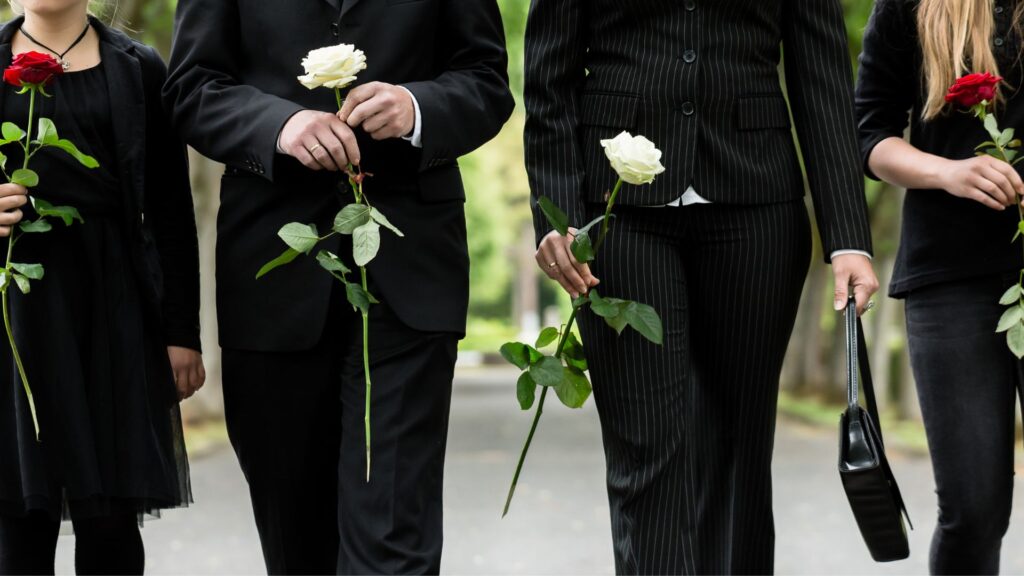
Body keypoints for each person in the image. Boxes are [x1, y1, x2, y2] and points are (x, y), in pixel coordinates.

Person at [524, 0, 879, 573]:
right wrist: (559, 216)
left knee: (739, 447)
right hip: (616, 214)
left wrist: (847, 238)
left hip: (757, 202)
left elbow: (822, 74)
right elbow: (548, 75)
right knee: (645, 449)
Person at [163, 1, 514, 573]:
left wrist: (418, 106)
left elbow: (486, 81)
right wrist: (279, 125)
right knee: (297, 540)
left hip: (412, 271)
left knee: (394, 537)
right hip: (270, 273)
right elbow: (192, 89)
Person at [0, 0, 205, 574]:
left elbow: (170, 212)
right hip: (14, 315)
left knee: (112, 524)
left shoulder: (139, 67)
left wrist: (180, 333)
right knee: (16, 524)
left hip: (115, 312)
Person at [857, 0, 1024, 573]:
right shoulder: (912, 5)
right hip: (949, 277)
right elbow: (870, 133)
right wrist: (947, 172)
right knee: (974, 511)